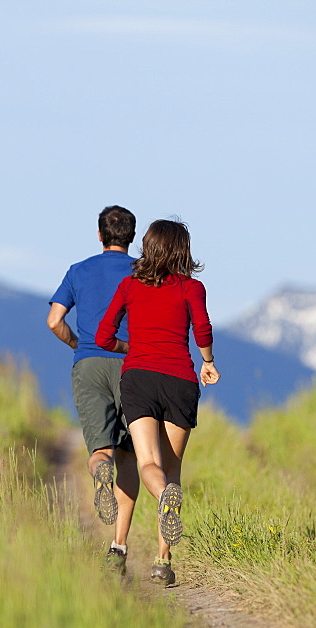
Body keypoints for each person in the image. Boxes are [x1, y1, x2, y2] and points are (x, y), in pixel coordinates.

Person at [95, 218, 220, 586]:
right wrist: (209, 363)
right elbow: (203, 330)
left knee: (148, 462)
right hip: (180, 379)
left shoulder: (130, 285)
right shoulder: (192, 287)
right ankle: (162, 563)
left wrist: (131, 348)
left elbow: (103, 337)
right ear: (183, 250)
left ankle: (160, 498)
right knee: (173, 469)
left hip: (139, 380)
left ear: (147, 247)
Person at [47, 205, 141, 576]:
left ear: (99, 235)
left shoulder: (78, 271)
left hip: (88, 362)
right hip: (133, 365)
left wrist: (76, 344)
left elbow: (54, 320)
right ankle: (118, 546)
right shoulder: (142, 271)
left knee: (100, 450)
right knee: (131, 458)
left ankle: (99, 470)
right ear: (132, 237)